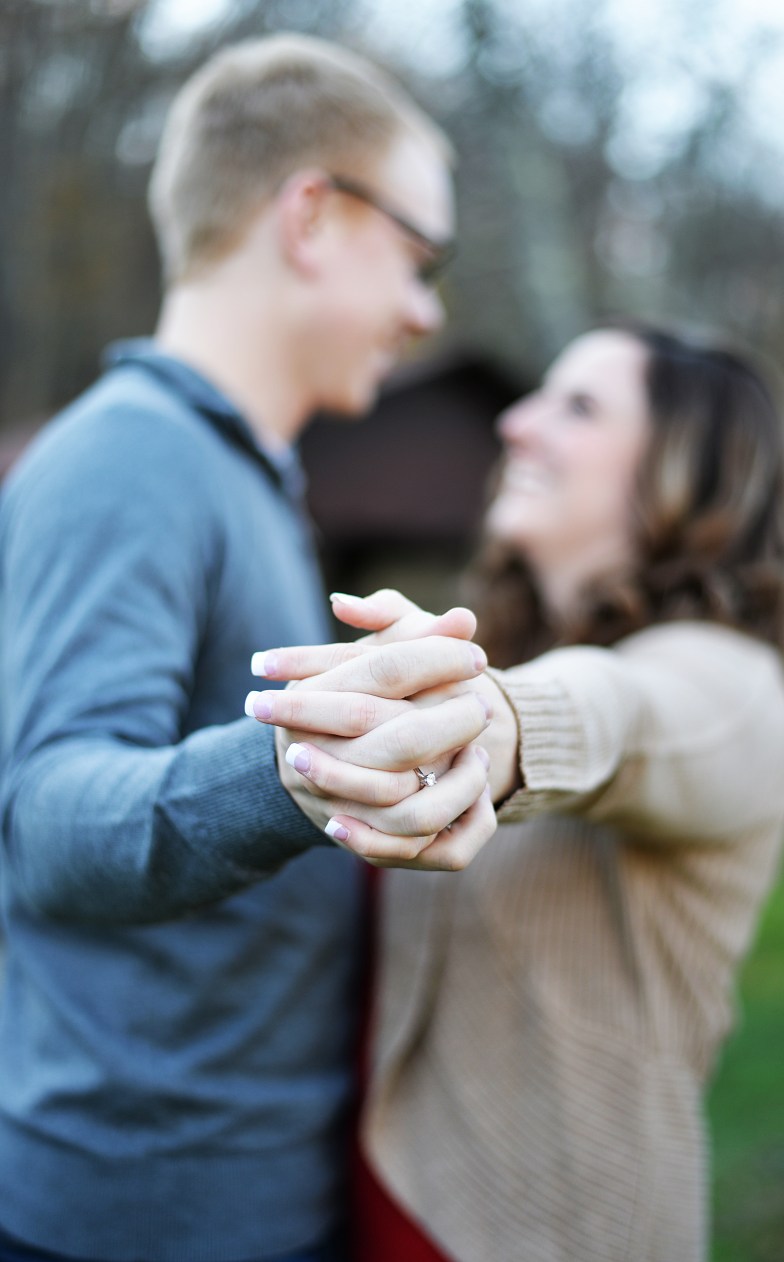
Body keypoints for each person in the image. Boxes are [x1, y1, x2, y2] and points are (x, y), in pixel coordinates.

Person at [0, 34, 496, 1262]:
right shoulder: (131, 455)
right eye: (418, 257)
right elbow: (45, 819)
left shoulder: (241, 476)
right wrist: (302, 761)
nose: (425, 311)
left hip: (249, 1201)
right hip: (136, 1225)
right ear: (313, 214)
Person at [246, 322, 784, 1261]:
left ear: (686, 470)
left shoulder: (734, 685)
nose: (516, 424)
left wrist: (497, 723)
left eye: (578, 407)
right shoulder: (500, 659)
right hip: (372, 1214)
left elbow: (622, 715)